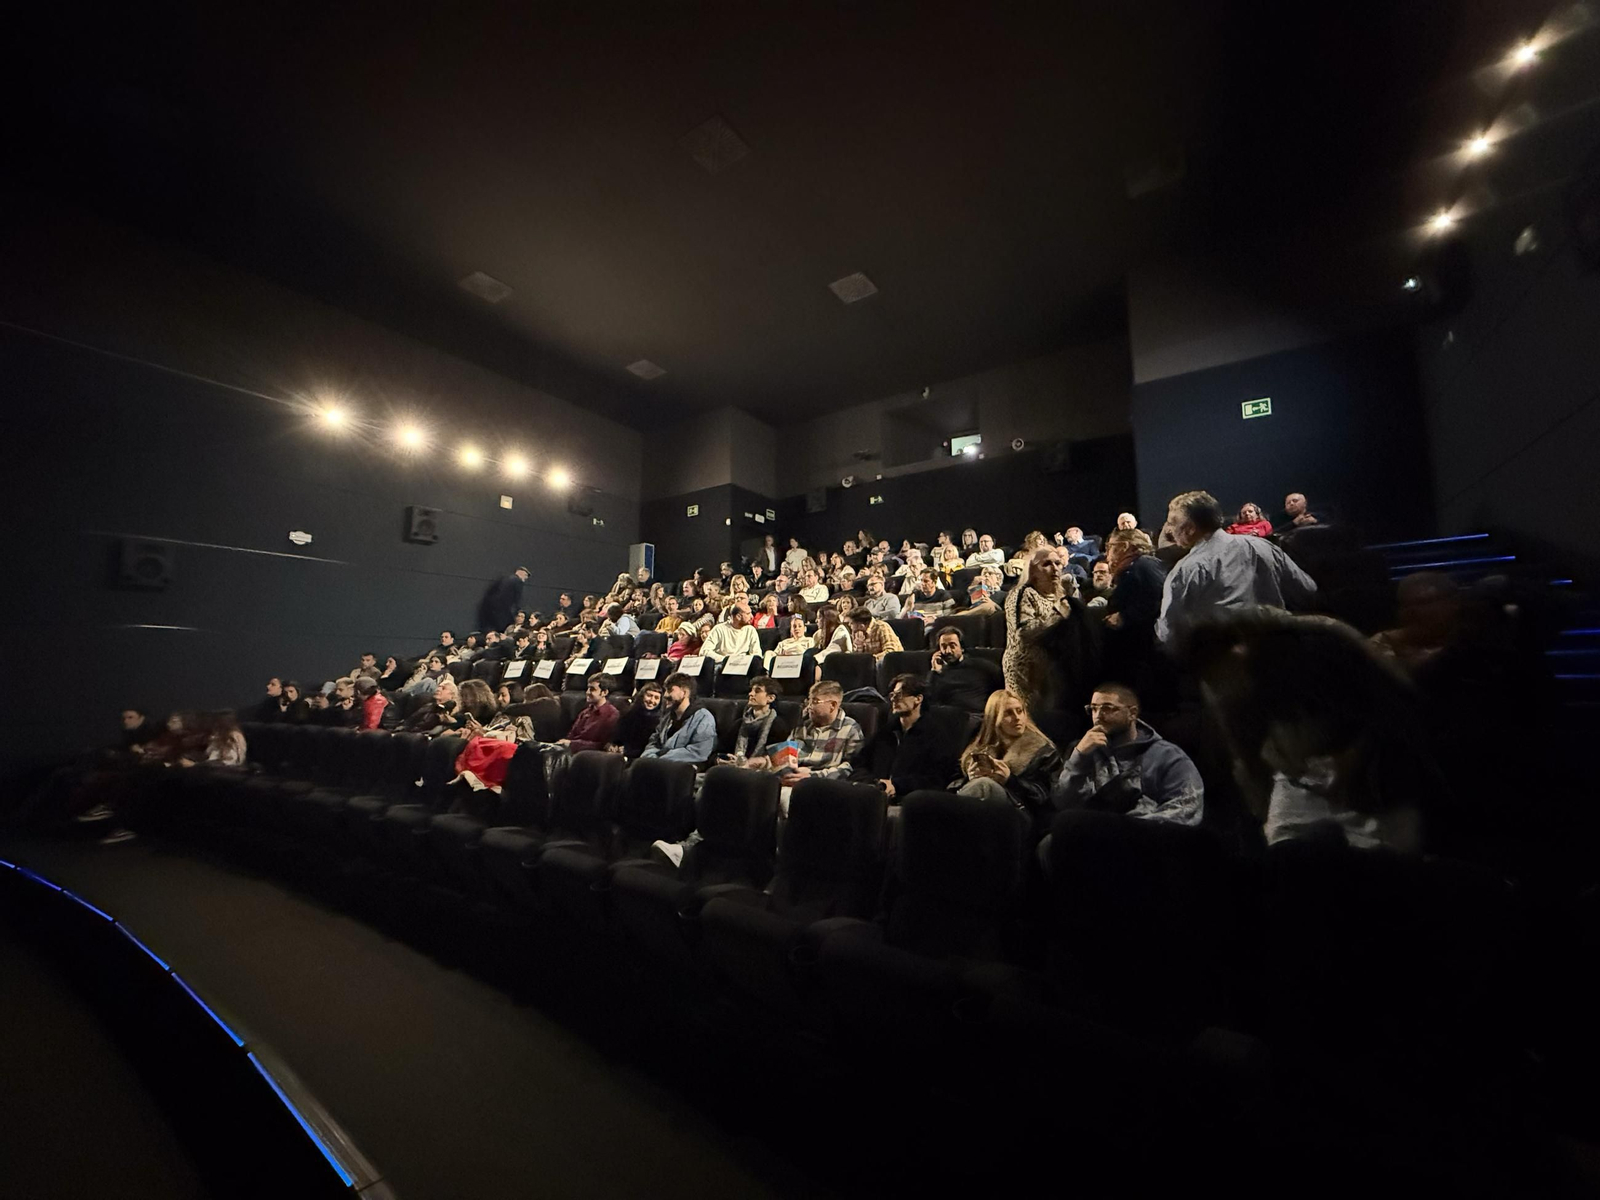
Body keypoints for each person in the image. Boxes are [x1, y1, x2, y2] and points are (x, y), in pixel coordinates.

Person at [1154, 490, 1318, 646]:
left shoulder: (1186, 570)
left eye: (1172, 523)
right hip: (1280, 650)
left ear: (1190, 528)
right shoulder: (1265, 547)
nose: (1169, 530)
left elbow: (1168, 633)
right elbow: (1307, 589)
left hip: (1224, 660)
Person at [1052, 683, 1203, 825]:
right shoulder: (1084, 750)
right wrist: (1079, 757)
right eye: (1093, 709)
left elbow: (1187, 807)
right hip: (1089, 833)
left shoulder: (1167, 755)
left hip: (1144, 835)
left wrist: (1125, 827)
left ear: (1132, 713)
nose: (1098, 716)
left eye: (1107, 708)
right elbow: (1064, 803)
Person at [957, 689, 1062, 838]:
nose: (1017, 718)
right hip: (987, 814)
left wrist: (1010, 780)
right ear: (995, 718)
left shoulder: (1044, 751)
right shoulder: (978, 750)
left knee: (984, 786)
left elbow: (1047, 796)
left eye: (1020, 711)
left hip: (1025, 815)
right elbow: (953, 788)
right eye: (1008, 713)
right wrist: (970, 778)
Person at [851, 676, 962, 799]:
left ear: (918, 699)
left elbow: (937, 779)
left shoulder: (935, 736)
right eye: (892, 695)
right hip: (874, 796)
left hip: (910, 800)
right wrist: (872, 782)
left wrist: (897, 786)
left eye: (899, 695)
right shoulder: (886, 732)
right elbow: (859, 763)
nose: (893, 699)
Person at [1002, 547, 1077, 711]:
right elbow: (1024, 632)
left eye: (1058, 563)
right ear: (1033, 571)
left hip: (1054, 669)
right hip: (1025, 670)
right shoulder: (1022, 593)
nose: (1055, 568)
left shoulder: (1061, 596)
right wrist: (1058, 615)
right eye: (1047, 564)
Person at [776, 681, 864, 785]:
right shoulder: (802, 725)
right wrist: (788, 773)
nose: (809, 707)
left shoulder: (850, 728)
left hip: (825, 784)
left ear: (832, 705)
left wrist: (812, 776)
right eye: (808, 701)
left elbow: (850, 767)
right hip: (792, 779)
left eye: (815, 702)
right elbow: (785, 757)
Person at [641, 672, 718, 763]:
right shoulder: (667, 716)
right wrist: (651, 757)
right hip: (658, 763)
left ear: (684, 693)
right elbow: (654, 741)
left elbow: (698, 752)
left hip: (683, 767)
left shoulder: (704, 718)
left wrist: (661, 758)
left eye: (670, 690)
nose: (665, 695)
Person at [927, 626, 1004, 713]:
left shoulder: (981, 666)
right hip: (948, 716)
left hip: (977, 715)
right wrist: (934, 671)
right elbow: (928, 699)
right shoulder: (938, 673)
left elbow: (1003, 682)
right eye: (944, 646)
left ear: (962, 648)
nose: (948, 651)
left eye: (952, 646)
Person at [720, 676, 792, 766]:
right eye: (751, 690)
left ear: (771, 698)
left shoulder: (778, 726)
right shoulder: (739, 724)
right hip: (734, 768)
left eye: (757, 691)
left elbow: (780, 762)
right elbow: (719, 752)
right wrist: (720, 759)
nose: (751, 694)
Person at [559, 674, 620, 752]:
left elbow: (602, 745)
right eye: (588, 688)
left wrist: (572, 744)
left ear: (604, 692)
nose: (587, 692)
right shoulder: (584, 712)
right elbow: (571, 735)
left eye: (592, 689)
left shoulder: (612, 714)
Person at [482, 566, 530, 632]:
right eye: (525, 575)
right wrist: (516, 611)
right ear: (520, 572)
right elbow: (517, 599)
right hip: (505, 612)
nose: (526, 578)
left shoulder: (504, 579)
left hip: (493, 611)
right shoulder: (517, 581)